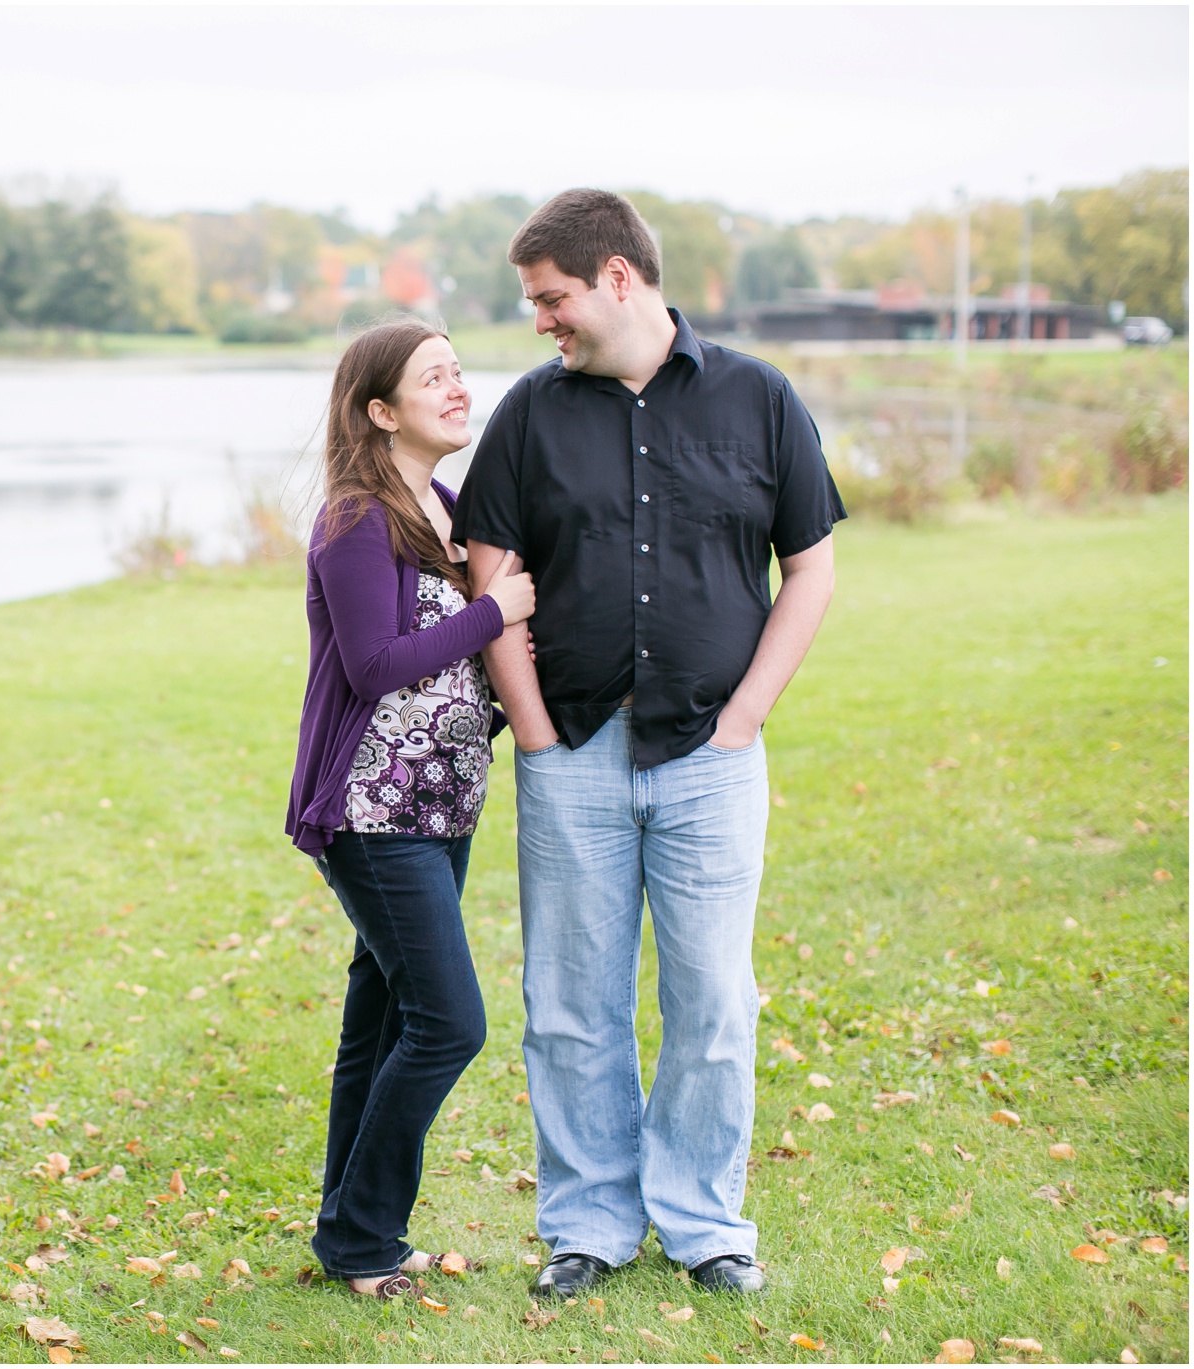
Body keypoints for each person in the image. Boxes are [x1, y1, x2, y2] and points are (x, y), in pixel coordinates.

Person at [453, 190, 845, 1299]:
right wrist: (529, 730)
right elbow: (489, 576)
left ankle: (703, 1221)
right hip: (570, 748)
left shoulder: (757, 398)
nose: (540, 321)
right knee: (571, 1003)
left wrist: (744, 717)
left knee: (712, 1000)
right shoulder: (528, 415)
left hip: (711, 758)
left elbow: (807, 564)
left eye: (551, 298)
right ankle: (586, 1224)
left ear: (617, 278)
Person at [286, 319, 536, 1299]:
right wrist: (494, 611)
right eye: (434, 377)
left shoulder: (441, 504)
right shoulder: (356, 517)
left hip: (439, 814)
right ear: (380, 410)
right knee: (446, 1023)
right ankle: (362, 1233)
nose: (457, 388)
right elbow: (372, 663)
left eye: (458, 372)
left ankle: (348, 1233)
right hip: (371, 813)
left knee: (382, 1024)